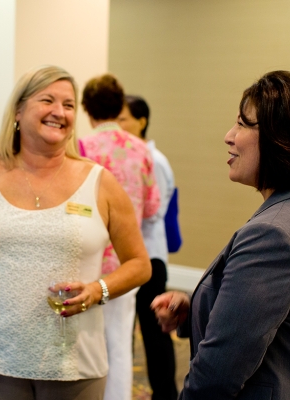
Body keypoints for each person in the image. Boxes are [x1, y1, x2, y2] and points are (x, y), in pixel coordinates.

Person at [0, 65, 152, 400]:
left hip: (74, 367)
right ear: (19, 111)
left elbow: (140, 264)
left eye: (68, 104)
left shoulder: (100, 181)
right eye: (48, 100)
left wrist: (98, 290)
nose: (59, 112)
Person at [152, 70, 290, 400]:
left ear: (283, 137)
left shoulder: (272, 234)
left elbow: (217, 375)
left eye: (242, 124)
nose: (229, 136)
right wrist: (199, 307)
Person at [79, 74, 160, 400]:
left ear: (87, 108)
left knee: (87, 341)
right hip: (129, 258)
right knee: (121, 340)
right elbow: (153, 205)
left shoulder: (83, 147)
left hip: (91, 257)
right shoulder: (141, 149)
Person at [118, 95, 178, 400]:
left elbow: (155, 210)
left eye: (123, 119)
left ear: (141, 122)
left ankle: (165, 394)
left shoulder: (153, 160)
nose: (118, 126)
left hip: (149, 257)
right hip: (128, 258)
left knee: (155, 332)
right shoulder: (128, 155)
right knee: (124, 330)